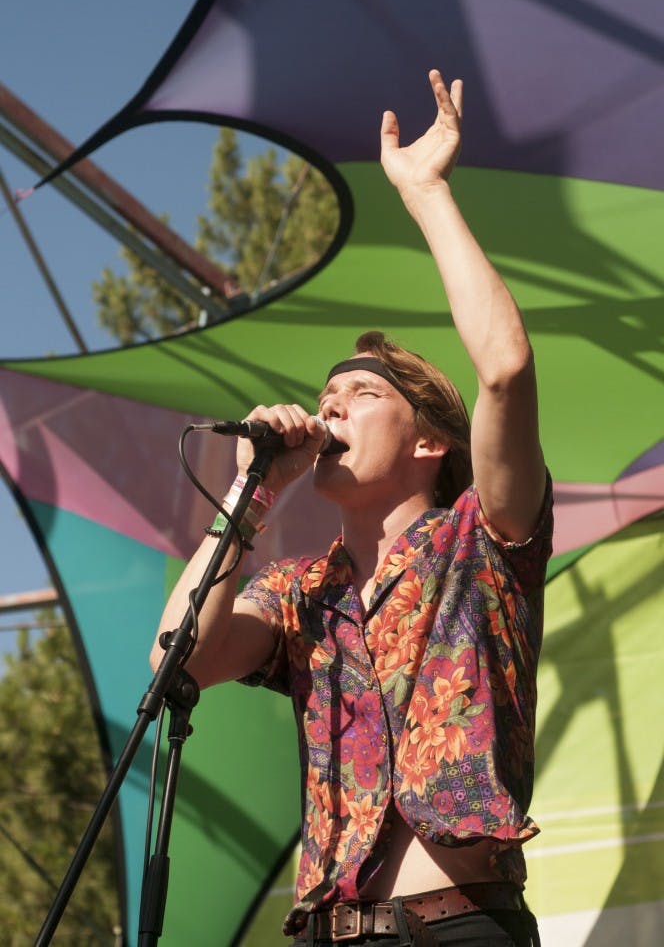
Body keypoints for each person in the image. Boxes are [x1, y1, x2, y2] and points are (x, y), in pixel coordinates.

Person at [151, 71, 552, 947]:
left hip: (458, 926)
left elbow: (506, 371)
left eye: (361, 394)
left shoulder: (485, 540)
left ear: (428, 443)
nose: (329, 408)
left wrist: (424, 191)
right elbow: (179, 660)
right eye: (325, 395)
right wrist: (249, 488)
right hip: (325, 932)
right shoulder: (299, 589)